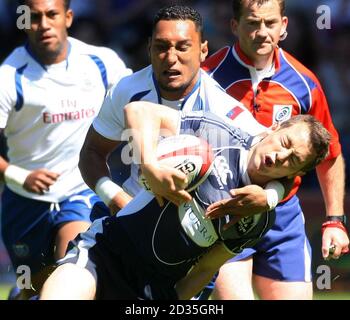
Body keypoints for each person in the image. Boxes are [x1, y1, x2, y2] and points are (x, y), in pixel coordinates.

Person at [39, 101, 331, 300]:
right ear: (273, 130)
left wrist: (173, 300)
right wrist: (150, 165)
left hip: (153, 290)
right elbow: (138, 110)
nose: (280, 156)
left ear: (297, 173)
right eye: (284, 143)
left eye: (292, 160)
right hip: (106, 253)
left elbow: (206, 268)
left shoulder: (258, 217)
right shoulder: (215, 133)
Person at [78, 5, 285, 226]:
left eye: (183, 47)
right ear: (149, 48)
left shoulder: (222, 108)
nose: (171, 58)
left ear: (203, 51)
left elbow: (284, 164)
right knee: (69, 261)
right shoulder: (126, 90)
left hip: (194, 232)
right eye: (161, 47)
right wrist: (115, 198)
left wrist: (271, 196)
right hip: (128, 215)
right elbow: (91, 152)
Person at [201, 0, 349, 299]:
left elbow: (329, 155)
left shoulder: (305, 83)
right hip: (224, 211)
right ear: (234, 26)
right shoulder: (207, 77)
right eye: (253, 23)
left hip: (282, 215)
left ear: (283, 26)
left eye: (270, 23)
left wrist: (335, 220)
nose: (262, 32)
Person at [0, 0, 131, 298]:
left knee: (71, 270)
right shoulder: (8, 76)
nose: (44, 24)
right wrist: (21, 176)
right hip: (24, 202)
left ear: (68, 17)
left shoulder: (102, 63)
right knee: (30, 288)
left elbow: (137, 101)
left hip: (79, 191)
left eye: (51, 15)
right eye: (33, 17)